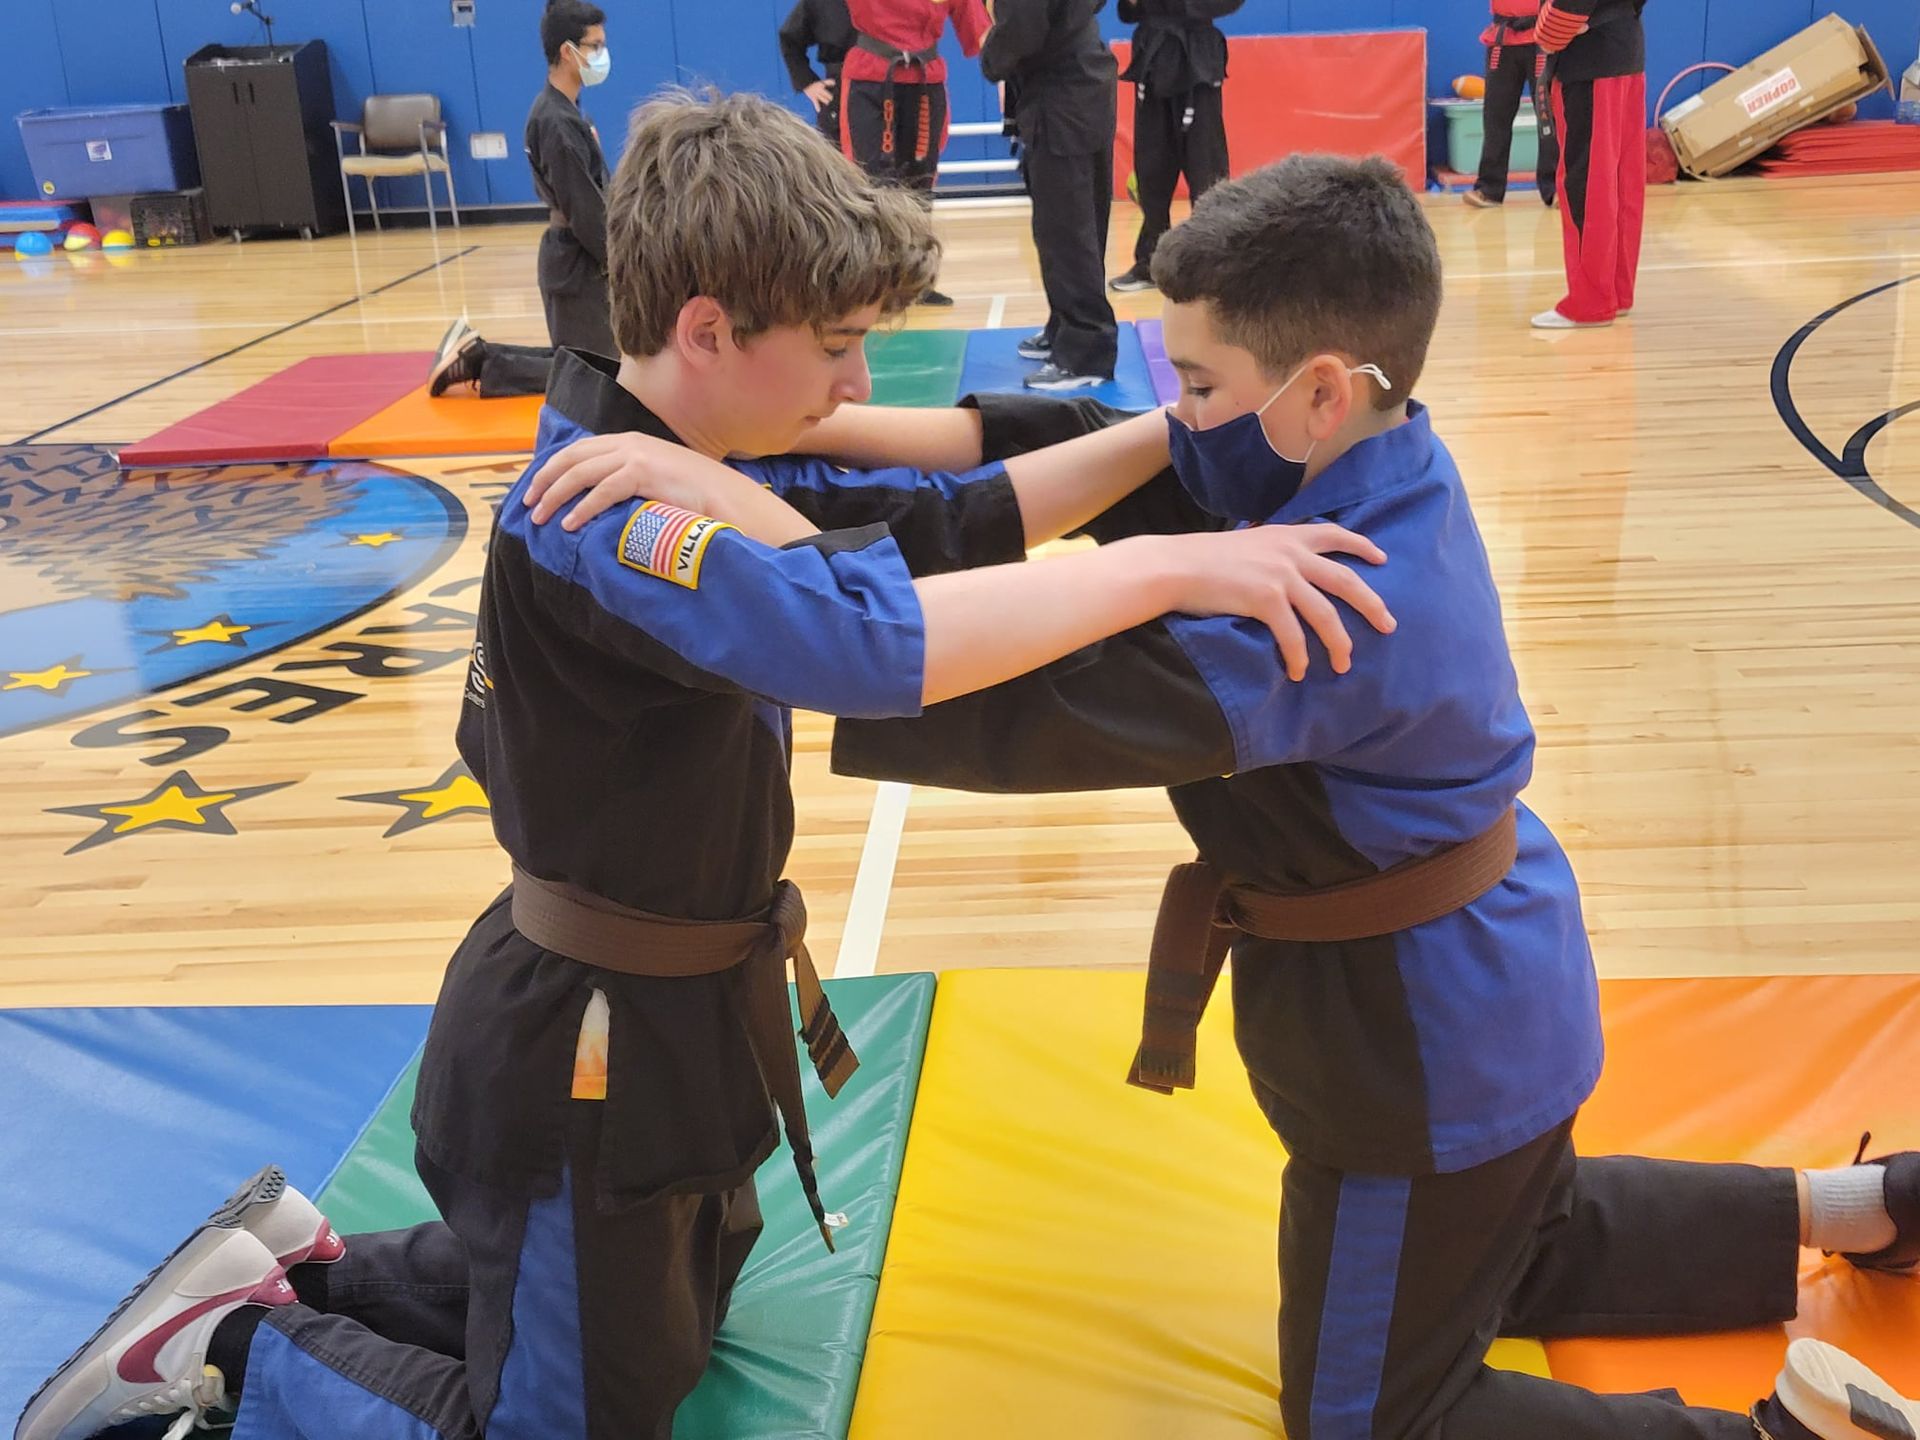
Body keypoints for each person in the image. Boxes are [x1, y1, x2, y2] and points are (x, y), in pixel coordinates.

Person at [13, 95, 1401, 1440]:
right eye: (842, 346)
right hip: (585, 1049)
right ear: (708, 327)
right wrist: (1174, 564)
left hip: (681, 1024)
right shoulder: (613, 514)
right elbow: (865, 648)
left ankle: (312, 1269)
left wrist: (1190, 427)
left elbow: (947, 521)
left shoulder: (693, 449)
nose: (861, 384)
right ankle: (225, 1344)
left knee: (668, 1332)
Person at [530, 152, 1920, 1440]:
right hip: (1496, 1006)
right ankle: (1864, 1212)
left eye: (1195, 385)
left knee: (1380, 1414)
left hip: (1418, 1057)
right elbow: (1072, 437)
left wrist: (738, 504)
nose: (1174, 417)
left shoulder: (1313, 610)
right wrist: (763, 456)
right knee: (1521, 1224)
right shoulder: (1340, 457)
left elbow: (949, 668)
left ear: (1316, 386)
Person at [428, 0, 615, 398]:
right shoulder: (556, 121)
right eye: (595, 46)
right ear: (568, 52)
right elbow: (584, 209)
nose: (602, 55)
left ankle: (477, 352)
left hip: (575, 259)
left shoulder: (566, 111)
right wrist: (622, 262)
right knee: (592, 377)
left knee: (587, 364)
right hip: (574, 262)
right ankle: (479, 362)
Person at [984, 0, 1122, 390]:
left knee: (1067, 229)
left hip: (1061, 94)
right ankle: (1066, 327)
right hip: (1081, 81)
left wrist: (991, 59)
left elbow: (1022, 29)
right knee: (1074, 221)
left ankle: (1086, 353)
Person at [838, 0, 992, 308]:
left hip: (925, 82)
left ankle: (916, 281)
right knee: (870, 185)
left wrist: (1012, 71)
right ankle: (871, 284)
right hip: (871, 80)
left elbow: (978, 33)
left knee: (920, 185)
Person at [1107, 0, 1242, 295]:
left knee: (1205, 169)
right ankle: (1150, 263)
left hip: (1197, 57)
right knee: (1151, 166)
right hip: (1153, 55)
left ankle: (1213, 268)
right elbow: (1129, 11)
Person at [1532, 0, 1645, 328]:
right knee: (1623, 184)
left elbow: (1563, 16)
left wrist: (1548, 34)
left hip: (1588, 60)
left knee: (1587, 186)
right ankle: (1616, 292)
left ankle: (1590, 302)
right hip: (1624, 49)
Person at [1463, 0, 1559, 209]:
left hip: (1543, 39)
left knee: (1548, 118)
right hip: (1503, 40)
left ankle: (1555, 187)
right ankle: (1489, 189)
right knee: (1495, 117)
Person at [779, 0, 856, 145]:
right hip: (839, 91)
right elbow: (789, 40)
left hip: (887, 86)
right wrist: (807, 82)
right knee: (838, 159)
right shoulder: (820, 3)